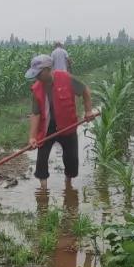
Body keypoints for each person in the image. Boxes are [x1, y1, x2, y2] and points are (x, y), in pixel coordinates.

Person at [26, 54, 94, 191]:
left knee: (71, 160)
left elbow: (85, 90)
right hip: (47, 128)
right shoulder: (37, 89)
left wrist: (88, 111)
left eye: (39, 73)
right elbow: (35, 114)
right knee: (42, 159)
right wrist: (32, 137)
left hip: (67, 126)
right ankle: (43, 189)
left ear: (47, 69)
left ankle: (68, 184)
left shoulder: (66, 78)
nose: (37, 77)